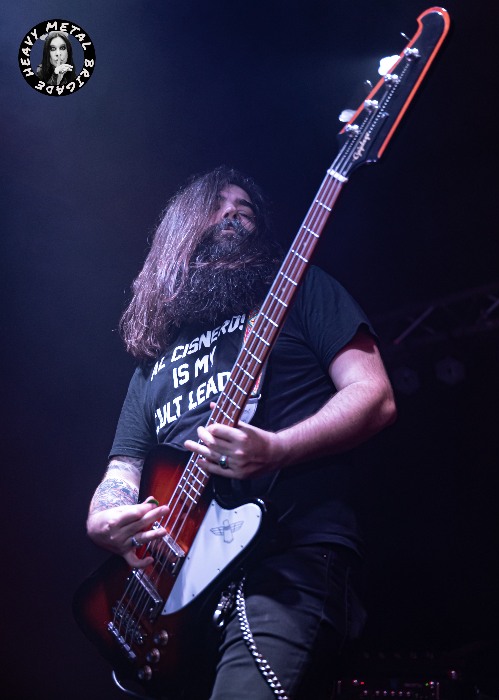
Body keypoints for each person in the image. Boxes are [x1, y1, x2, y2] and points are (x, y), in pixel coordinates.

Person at [86, 166, 397, 699]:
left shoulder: (298, 292)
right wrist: (103, 519)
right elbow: (124, 466)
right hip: (176, 590)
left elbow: (375, 394)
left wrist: (278, 448)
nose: (234, 211)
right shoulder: (153, 363)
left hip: (289, 556)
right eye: (217, 204)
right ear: (182, 229)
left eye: (245, 208)